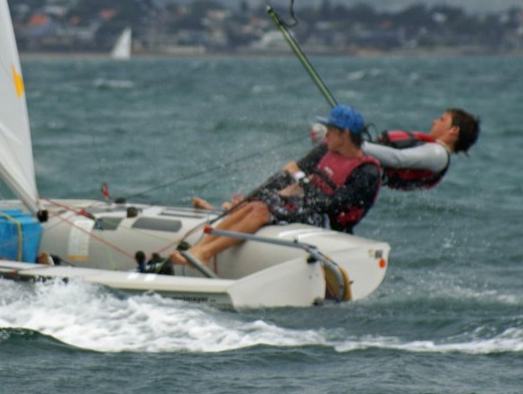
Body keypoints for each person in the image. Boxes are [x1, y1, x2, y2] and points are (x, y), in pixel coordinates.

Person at [173, 104, 382, 270]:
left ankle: (206, 254)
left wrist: (299, 179)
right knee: (255, 204)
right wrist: (257, 195)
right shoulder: (325, 151)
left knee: (261, 210)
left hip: (326, 221)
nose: (325, 136)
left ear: (344, 134)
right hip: (305, 205)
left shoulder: (367, 173)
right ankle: (198, 250)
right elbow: (286, 176)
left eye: (330, 131)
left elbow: (331, 205)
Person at [309, 108, 480, 190]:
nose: (435, 121)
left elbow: (398, 159)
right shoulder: (434, 149)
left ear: (454, 131)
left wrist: (352, 142)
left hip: (362, 174)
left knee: (324, 154)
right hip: (360, 169)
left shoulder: (438, 154)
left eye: (442, 120)